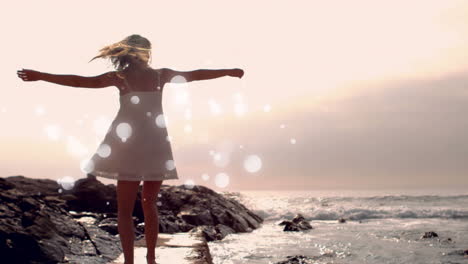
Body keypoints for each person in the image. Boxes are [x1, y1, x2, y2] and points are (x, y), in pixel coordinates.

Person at [17, 34, 244, 264]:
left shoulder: (125, 76)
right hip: (153, 143)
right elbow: (194, 75)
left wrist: (41, 76)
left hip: (131, 144)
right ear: (146, 52)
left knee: (127, 210)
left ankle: (131, 261)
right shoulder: (155, 75)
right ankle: (150, 259)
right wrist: (227, 71)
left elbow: (80, 81)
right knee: (148, 204)